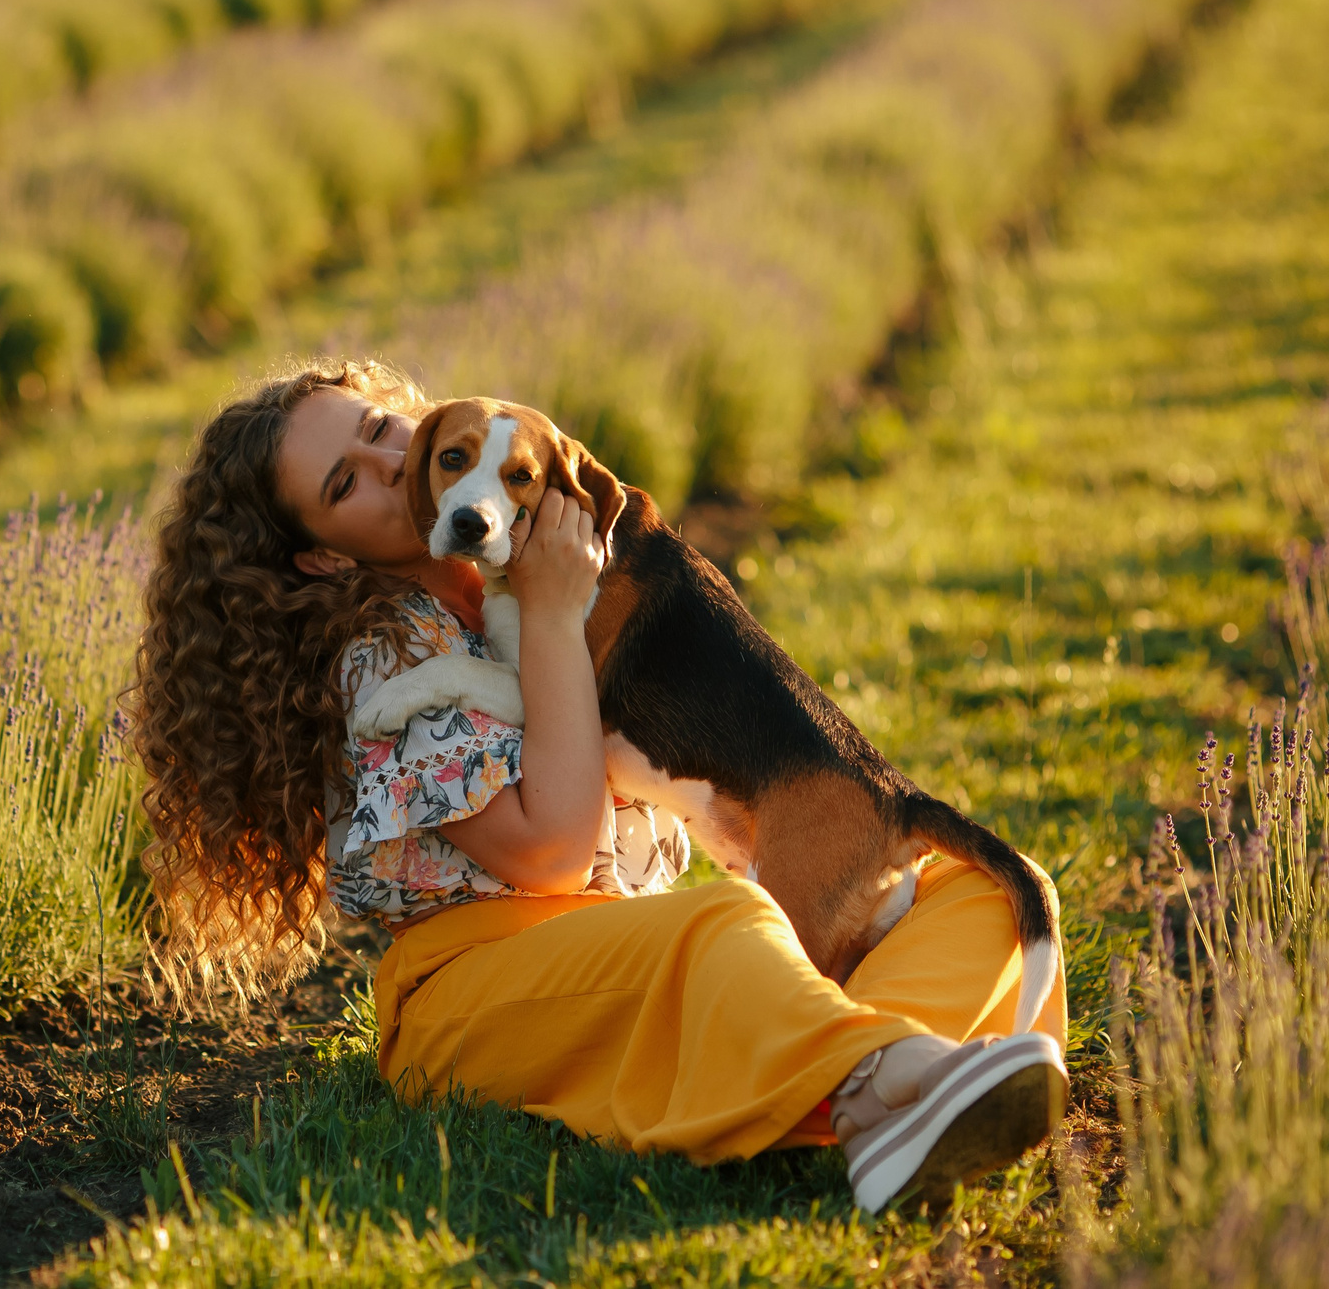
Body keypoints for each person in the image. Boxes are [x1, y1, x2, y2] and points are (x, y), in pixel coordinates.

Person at [129, 359, 1067, 1214]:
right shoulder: (389, 652)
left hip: (622, 952)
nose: (387, 462)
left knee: (982, 885)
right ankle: (881, 1080)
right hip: (478, 995)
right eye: (344, 483)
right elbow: (555, 851)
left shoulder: (524, 561)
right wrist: (547, 613)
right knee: (730, 924)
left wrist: (550, 588)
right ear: (324, 553)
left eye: (379, 429)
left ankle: (903, 1084)